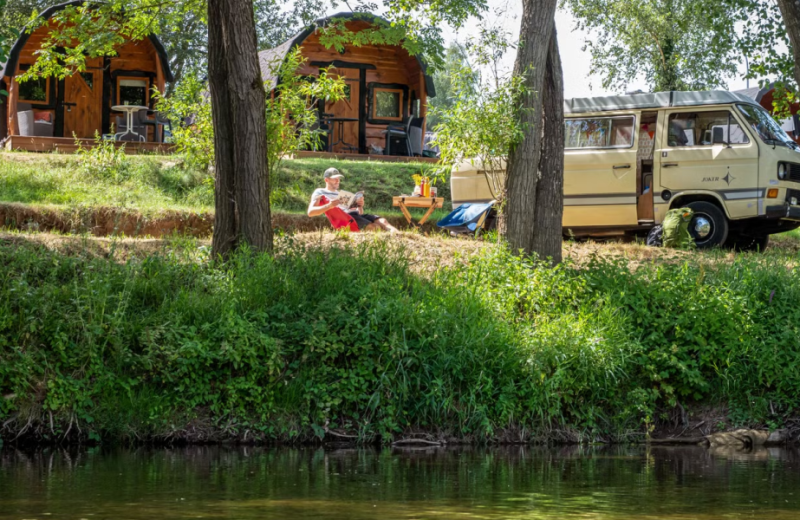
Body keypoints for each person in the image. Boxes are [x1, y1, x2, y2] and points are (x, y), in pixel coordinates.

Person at [307, 167, 399, 233]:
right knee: (375, 228)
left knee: (383, 221)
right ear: (326, 180)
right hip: (344, 218)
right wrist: (329, 205)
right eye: (334, 179)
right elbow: (310, 212)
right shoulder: (320, 192)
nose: (337, 181)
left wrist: (360, 206)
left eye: (338, 179)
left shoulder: (342, 194)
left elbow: (360, 214)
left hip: (354, 215)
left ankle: (399, 236)